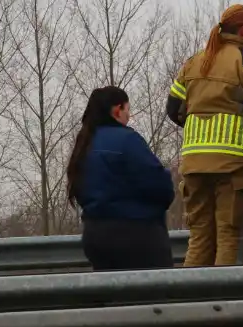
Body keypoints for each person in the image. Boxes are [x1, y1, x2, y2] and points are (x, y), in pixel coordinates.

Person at [166, 4, 243, 266]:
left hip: (193, 165)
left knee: (200, 239)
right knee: (230, 237)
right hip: (234, 167)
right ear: (242, 30)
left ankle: (191, 303)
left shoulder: (194, 62)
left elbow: (173, 109)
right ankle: (223, 304)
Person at [66, 86, 175, 271]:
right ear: (117, 110)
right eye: (127, 109)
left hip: (95, 235)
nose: (128, 115)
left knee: (112, 295)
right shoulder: (127, 140)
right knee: (153, 295)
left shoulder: (84, 143)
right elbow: (159, 185)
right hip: (137, 236)